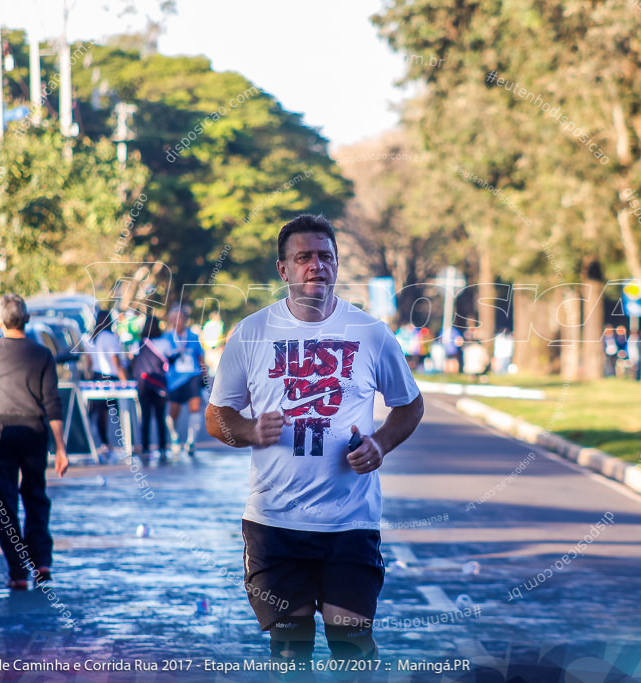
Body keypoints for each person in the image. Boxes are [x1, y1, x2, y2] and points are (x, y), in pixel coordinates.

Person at [206, 214, 424, 676]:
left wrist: (380, 444)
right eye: (303, 257)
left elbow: (409, 406)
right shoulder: (250, 333)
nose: (315, 267)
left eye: (325, 257)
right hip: (275, 523)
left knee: (353, 650)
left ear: (338, 264)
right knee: (291, 654)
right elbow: (216, 417)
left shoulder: (371, 333)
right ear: (283, 270)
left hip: (349, 522)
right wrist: (248, 431)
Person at [0, 295, 69, 590]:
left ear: (2, 319)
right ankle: (42, 561)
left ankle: (18, 571)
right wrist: (60, 448)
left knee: (5, 501)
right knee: (35, 495)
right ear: (27, 319)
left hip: (0, 431)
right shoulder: (42, 354)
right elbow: (52, 404)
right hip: (34, 431)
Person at [161, 305, 207, 457]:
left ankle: (191, 441)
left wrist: (204, 378)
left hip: (192, 376)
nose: (177, 321)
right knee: (173, 412)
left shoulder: (192, 337)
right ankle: (174, 437)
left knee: (195, 408)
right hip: (174, 380)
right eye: (173, 318)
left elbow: (200, 358)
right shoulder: (166, 337)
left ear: (185, 319)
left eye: (180, 317)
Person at [85, 310, 127, 457]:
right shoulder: (109, 338)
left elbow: (88, 361)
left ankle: (104, 443)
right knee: (121, 410)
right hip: (110, 377)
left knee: (101, 413)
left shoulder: (93, 338)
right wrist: (124, 379)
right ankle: (124, 443)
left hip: (97, 377)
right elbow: (115, 360)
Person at [131, 315, 171, 465]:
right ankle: (162, 448)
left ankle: (146, 448)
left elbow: (133, 362)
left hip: (143, 384)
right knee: (160, 417)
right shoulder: (165, 343)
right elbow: (169, 360)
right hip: (160, 384)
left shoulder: (138, 343)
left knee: (145, 417)